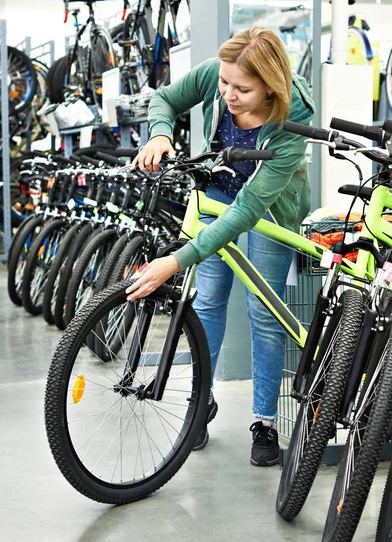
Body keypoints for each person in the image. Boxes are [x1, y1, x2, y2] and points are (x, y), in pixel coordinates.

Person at [126, 27, 315, 466]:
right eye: (225, 83)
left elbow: (248, 211)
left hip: (269, 205)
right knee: (208, 301)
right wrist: (159, 133)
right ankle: (200, 403)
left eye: (242, 89)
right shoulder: (220, 74)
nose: (228, 93)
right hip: (217, 193)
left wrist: (175, 261)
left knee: (264, 312)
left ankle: (264, 422)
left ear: (271, 88)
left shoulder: (294, 116)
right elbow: (164, 98)